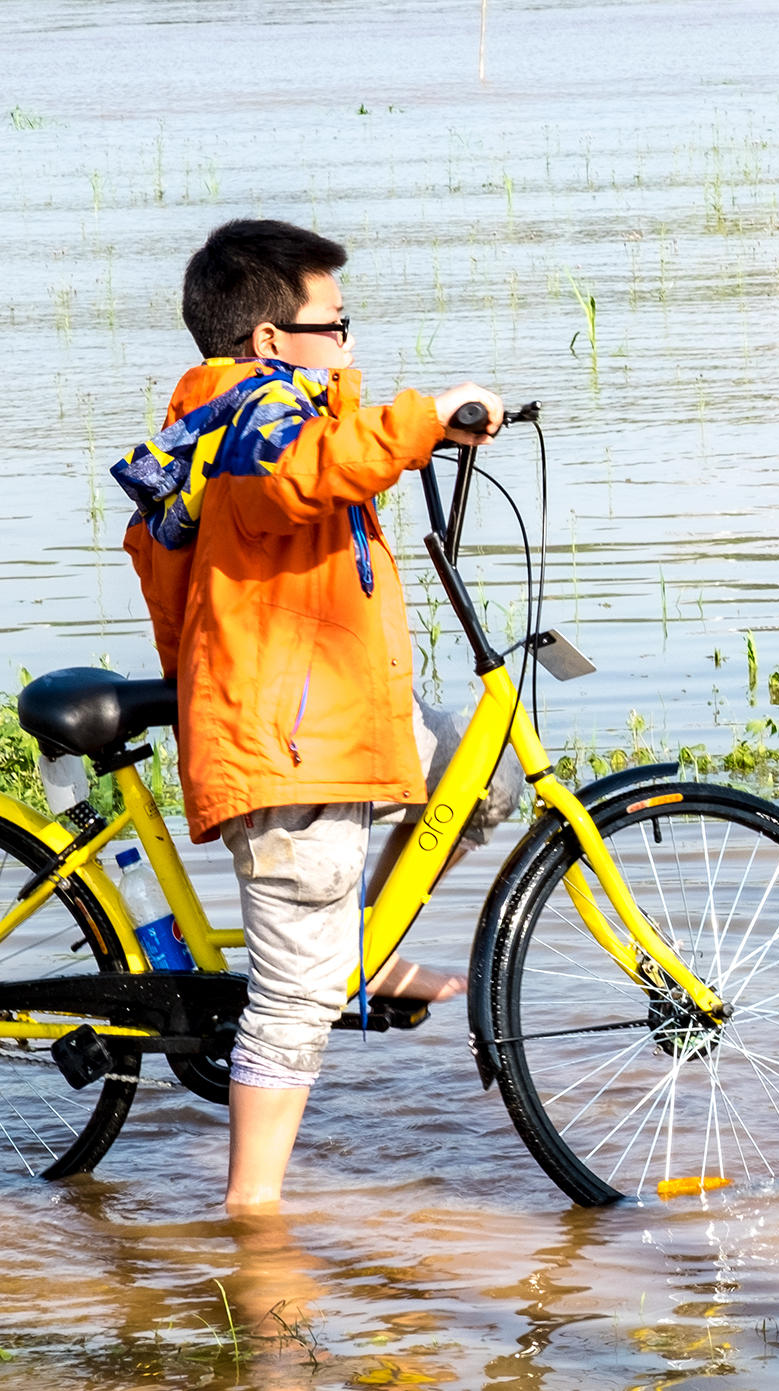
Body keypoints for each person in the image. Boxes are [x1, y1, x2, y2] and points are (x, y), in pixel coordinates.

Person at [111, 218, 501, 1211]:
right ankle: (252, 1228)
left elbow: (326, 459)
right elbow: (302, 471)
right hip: (293, 750)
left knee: (475, 772)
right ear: (272, 340)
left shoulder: (258, 417)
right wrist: (427, 414)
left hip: (329, 717)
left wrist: (419, 437)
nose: (351, 344)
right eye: (337, 323)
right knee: (290, 1012)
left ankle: (356, 957)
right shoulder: (255, 421)